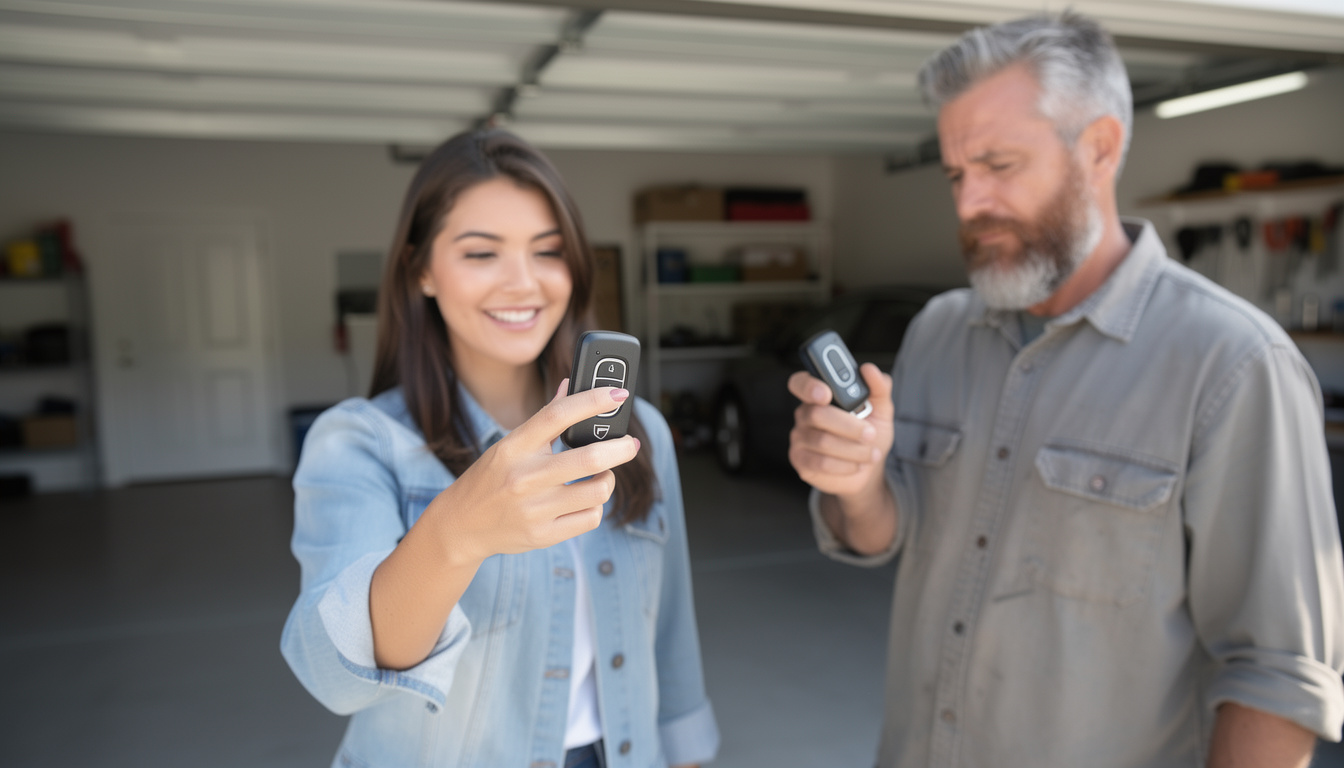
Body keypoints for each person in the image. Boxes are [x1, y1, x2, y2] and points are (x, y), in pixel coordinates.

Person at [788, 12, 1343, 768]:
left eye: (998, 164)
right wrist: (853, 485)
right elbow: (890, 535)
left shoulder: (1235, 365)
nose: (967, 203)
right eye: (956, 173)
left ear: (1101, 149)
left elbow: (1278, 676)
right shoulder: (938, 331)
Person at [281, 129, 718, 768]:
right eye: (482, 253)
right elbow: (338, 677)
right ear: (421, 269)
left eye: (548, 252)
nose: (523, 283)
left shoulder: (639, 430)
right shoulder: (358, 444)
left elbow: (672, 636)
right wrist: (457, 530)